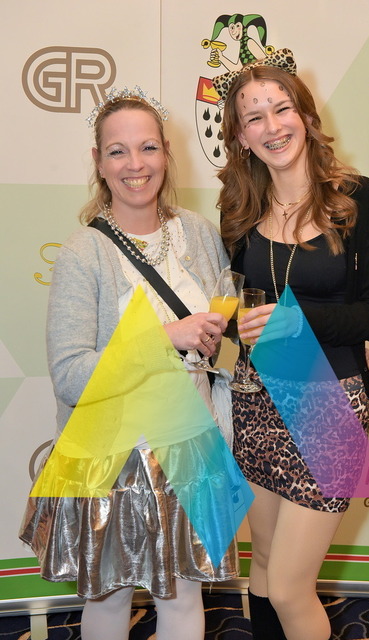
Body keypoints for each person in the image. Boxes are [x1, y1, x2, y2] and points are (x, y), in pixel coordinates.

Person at [19, 87, 241, 640]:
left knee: (185, 596)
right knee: (110, 597)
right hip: (114, 456)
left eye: (148, 147)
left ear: (167, 152)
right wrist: (167, 337)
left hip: (190, 443)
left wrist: (228, 340)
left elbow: (222, 338)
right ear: (98, 162)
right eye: (118, 151)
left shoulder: (198, 233)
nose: (135, 164)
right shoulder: (83, 251)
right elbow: (71, 375)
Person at [212, 49, 369, 640]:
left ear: (306, 115)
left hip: (330, 402)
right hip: (255, 397)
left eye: (282, 109)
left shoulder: (355, 198)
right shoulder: (239, 209)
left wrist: (298, 322)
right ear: (240, 137)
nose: (272, 126)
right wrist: (225, 324)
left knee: (292, 587)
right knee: (264, 568)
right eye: (254, 117)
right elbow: (233, 308)